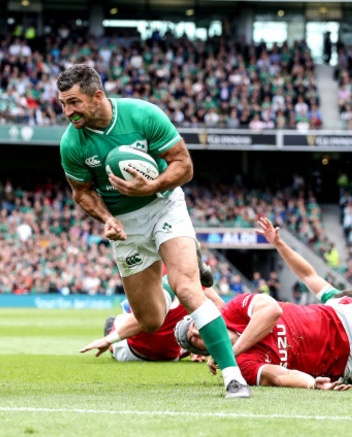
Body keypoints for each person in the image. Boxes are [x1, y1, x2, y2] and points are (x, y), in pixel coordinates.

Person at [57, 64, 250, 398]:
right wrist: (107, 219)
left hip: (163, 204)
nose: (67, 111)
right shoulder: (72, 144)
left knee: (188, 288)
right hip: (125, 226)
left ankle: (233, 377)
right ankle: (178, 266)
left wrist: (152, 187)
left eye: (74, 102)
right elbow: (82, 193)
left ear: (97, 96)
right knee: (150, 320)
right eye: (62, 103)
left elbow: (184, 166)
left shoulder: (143, 115)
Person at [174, 217, 352, 390]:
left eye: (195, 327)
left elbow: (272, 309)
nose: (198, 333)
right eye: (195, 341)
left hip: (349, 322)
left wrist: (229, 353)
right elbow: (278, 376)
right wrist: (312, 384)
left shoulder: (235, 309)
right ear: (203, 351)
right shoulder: (241, 367)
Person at [79, 274, 224, 362]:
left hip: (132, 353)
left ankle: (111, 338)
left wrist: (107, 340)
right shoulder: (193, 280)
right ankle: (194, 349)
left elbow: (142, 320)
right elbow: (221, 308)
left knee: (122, 318)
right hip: (170, 356)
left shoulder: (165, 276)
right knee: (188, 328)